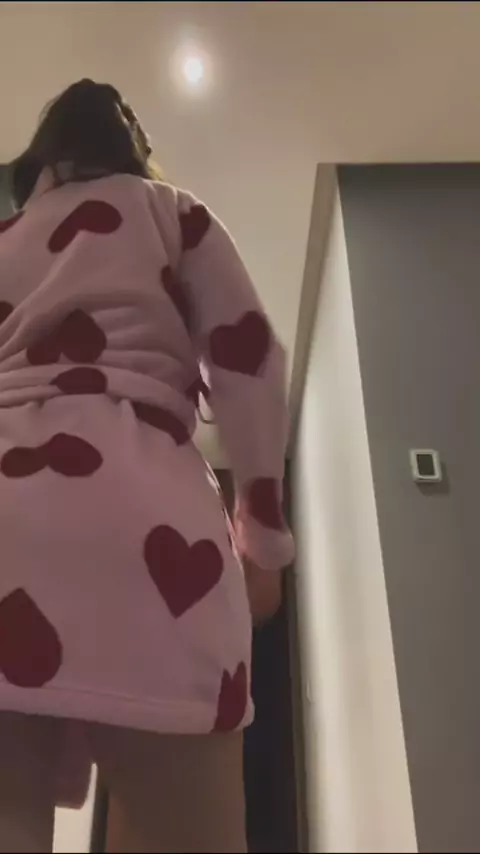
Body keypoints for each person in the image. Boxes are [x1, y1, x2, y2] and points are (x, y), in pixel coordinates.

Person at [0, 79, 294, 853]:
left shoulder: (4, 239)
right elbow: (250, 360)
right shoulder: (172, 214)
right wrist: (263, 542)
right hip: (145, 525)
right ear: (133, 146)